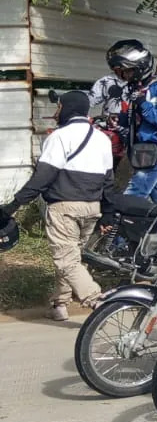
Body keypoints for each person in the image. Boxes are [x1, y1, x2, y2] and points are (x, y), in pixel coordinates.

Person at [0, 91, 113, 321]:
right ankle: (60, 304)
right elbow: (108, 182)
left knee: (67, 259)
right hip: (92, 209)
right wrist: (108, 216)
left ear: (67, 108)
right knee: (72, 256)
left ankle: (96, 300)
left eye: (58, 107)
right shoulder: (102, 139)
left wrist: (11, 207)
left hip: (65, 208)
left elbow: (42, 179)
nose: (55, 112)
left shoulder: (60, 137)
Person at [108, 39, 157, 202]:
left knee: (131, 199)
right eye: (122, 72)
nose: (124, 76)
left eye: (128, 71)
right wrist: (120, 119)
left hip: (156, 151)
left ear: (141, 67)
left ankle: (119, 226)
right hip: (144, 152)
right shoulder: (139, 90)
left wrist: (143, 104)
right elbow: (138, 119)